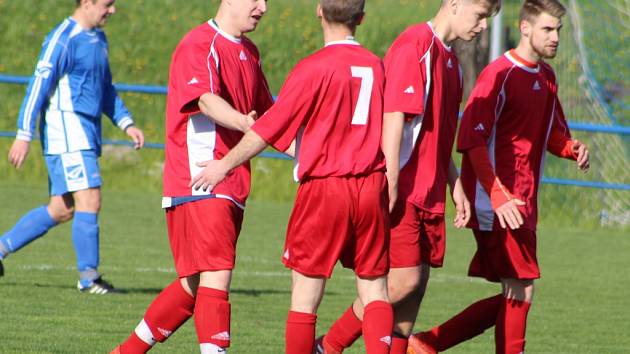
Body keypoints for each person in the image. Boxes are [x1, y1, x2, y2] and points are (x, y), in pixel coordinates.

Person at [189, 1, 394, 353]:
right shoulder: (377, 66)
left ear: (319, 11)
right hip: (372, 183)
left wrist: (224, 165)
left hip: (326, 186)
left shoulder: (314, 67)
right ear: (360, 19)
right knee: (375, 291)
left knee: (305, 296)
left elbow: (267, 129)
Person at [317, 1, 500, 353]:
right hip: (403, 188)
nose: (483, 27)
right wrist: (391, 178)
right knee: (402, 282)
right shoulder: (415, 45)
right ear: (455, 4)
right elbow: (393, 116)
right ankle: (328, 345)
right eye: (480, 16)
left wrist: (454, 183)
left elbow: (436, 132)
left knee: (414, 294)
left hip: (429, 191)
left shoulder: (452, 63)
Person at [407, 1, 590, 353]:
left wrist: (570, 149)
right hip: (496, 202)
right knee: (521, 289)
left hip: (522, 201)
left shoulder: (547, 79)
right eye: (547, 29)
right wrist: (497, 195)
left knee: (515, 293)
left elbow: (552, 134)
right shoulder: (499, 74)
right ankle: (428, 343)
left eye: (559, 31)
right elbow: (471, 140)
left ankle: (427, 343)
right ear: (525, 28)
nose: (555, 38)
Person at [110, 0, 273, 353]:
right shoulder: (199, 44)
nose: (263, 7)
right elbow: (205, 100)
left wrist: (314, 154)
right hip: (203, 179)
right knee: (217, 275)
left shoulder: (249, 51)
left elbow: (272, 121)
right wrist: (244, 122)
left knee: (194, 285)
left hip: (230, 182)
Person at [0, 0, 144, 294]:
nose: (112, 10)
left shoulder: (98, 38)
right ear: (87, 3)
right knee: (90, 199)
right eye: (107, 3)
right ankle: (89, 278)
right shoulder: (63, 39)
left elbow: (105, 89)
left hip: (86, 134)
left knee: (62, 209)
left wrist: (126, 123)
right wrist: (23, 134)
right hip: (66, 133)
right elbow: (37, 86)